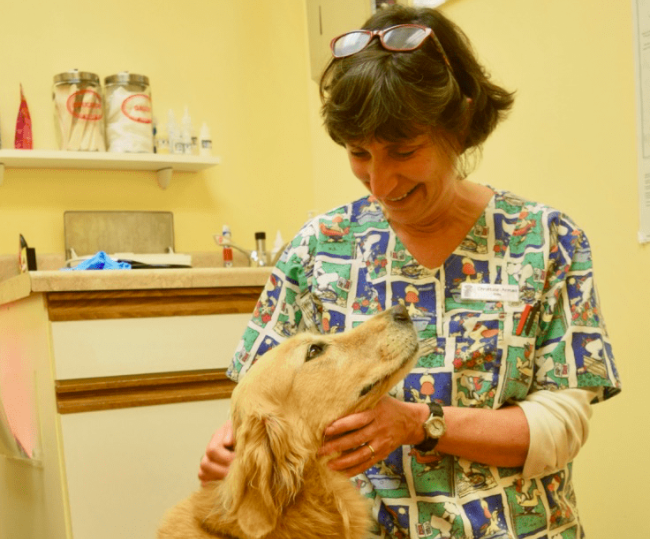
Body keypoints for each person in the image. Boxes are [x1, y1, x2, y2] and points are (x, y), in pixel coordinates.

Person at [199, 5, 621, 538]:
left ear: (459, 124)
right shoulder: (319, 248)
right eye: (358, 153)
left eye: (404, 150)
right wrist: (232, 448)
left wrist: (420, 423)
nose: (379, 181)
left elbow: (563, 427)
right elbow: (268, 394)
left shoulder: (547, 241)